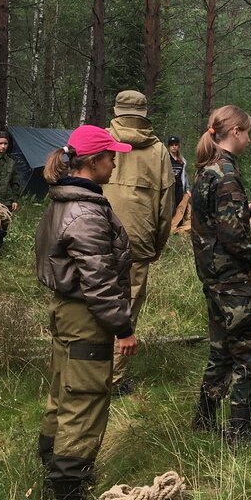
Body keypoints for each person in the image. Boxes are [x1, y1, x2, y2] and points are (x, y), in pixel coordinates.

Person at [35, 124, 137, 500]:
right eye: (111, 156)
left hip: (69, 311)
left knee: (63, 393)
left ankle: (53, 470)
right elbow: (99, 280)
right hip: (87, 318)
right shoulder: (86, 211)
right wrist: (123, 327)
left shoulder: (67, 201)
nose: (115, 163)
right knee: (85, 401)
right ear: (93, 162)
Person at [189, 105, 251, 445]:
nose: (249, 140)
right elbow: (233, 237)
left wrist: (245, 208)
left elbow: (216, 220)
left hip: (212, 277)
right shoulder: (225, 174)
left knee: (221, 350)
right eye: (247, 132)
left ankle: (204, 419)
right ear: (235, 132)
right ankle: (240, 432)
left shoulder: (206, 171)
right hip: (230, 281)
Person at [103, 90, 174, 396]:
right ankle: (113, 381)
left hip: (96, 236)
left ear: (116, 111)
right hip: (139, 239)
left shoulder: (102, 139)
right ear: (145, 113)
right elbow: (165, 203)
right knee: (126, 309)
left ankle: (89, 375)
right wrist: (156, 244)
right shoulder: (158, 151)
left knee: (93, 303)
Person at [167, 136, 189, 211]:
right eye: (172, 145)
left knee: (179, 208)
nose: (174, 147)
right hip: (169, 187)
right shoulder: (166, 158)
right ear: (169, 147)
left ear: (178, 146)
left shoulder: (182, 160)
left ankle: (177, 222)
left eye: (175, 145)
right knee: (168, 209)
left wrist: (187, 189)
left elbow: (185, 176)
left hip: (179, 187)